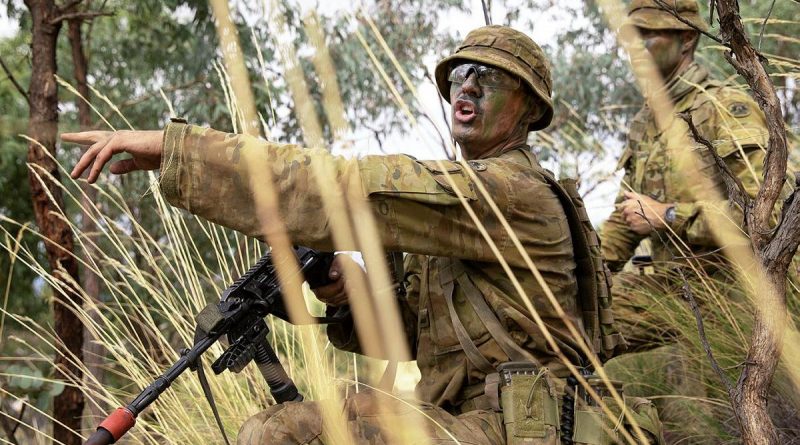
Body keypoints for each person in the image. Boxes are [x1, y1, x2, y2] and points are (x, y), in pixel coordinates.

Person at [65, 26, 653, 444]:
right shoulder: (463, 206)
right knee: (284, 425)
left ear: (529, 109)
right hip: (463, 419)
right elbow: (411, 336)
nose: (466, 88)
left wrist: (177, 150)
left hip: (527, 431)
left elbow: (345, 190)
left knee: (285, 432)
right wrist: (345, 293)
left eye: (489, 78)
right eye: (460, 76)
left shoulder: (510, 192)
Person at [599, 0, 779, 440]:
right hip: (669, 288)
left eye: (649, 35)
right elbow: (627, 215)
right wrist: (586, 274)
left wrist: (671, 216)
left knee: (715, 421)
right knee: (570, 323)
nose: (635, 48)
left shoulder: (722, 108)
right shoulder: (648, 121)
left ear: (687, 39)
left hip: (730, 296)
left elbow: (769, 214)